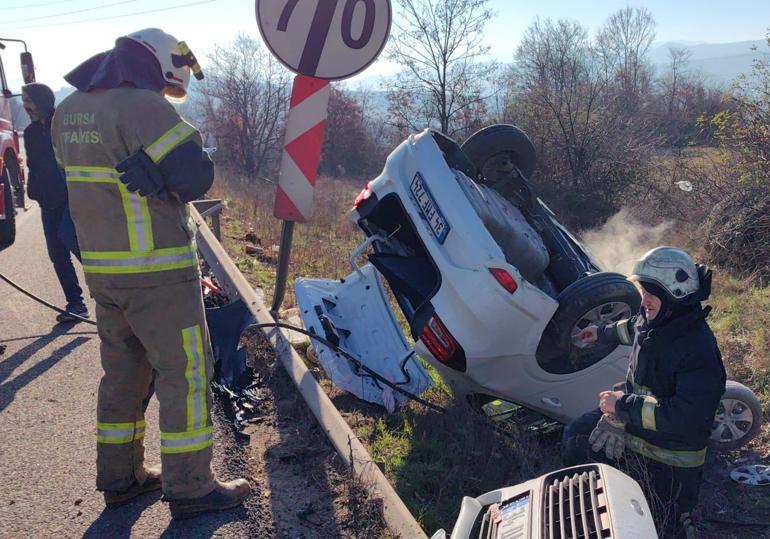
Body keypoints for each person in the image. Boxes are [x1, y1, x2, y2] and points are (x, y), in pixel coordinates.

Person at [51, 29, 250, 517]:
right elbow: (194, 177)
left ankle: (120, 477)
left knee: (123, 374)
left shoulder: (69, 110)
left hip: (103, 272)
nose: (166, 92)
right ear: (161, 63)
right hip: (157, 272)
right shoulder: (144, 106)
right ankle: (191, 486)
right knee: (186, 374)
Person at [561, 247, 725, 539]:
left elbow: (685, 418)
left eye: (651, 292)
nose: (644, 299)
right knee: (576, 437)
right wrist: (600, 332)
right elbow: (634, 328)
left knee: (663, 524)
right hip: (638, 429)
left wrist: (622, 406)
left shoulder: (698, 350)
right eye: (643, 290)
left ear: (675, 295)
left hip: (671, 456)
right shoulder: (657, 320)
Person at [22, 83, 88, 323]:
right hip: (47, 202)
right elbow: (33, 166)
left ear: (41, 101)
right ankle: (76, 304)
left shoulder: (62, 126)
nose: (25, 105)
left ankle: (110, 295)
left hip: (70, 198)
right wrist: (34, 190)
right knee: (57, 254)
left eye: (28, 100)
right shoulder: (30, 133)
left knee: (74, 242)